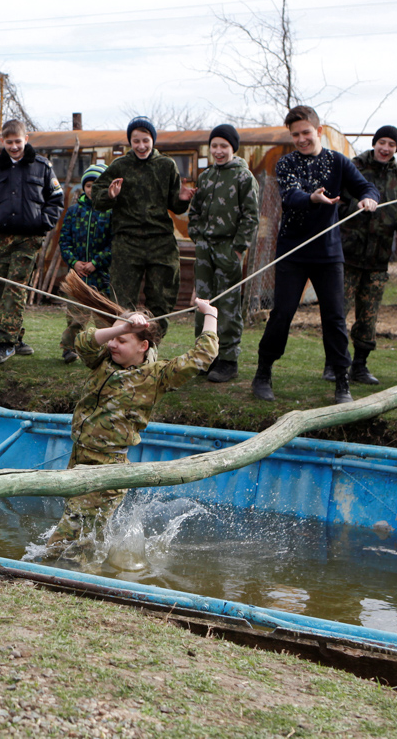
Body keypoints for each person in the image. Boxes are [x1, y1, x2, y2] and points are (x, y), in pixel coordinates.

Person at [47, 275, 218, 553]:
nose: (113, 344)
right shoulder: (103, 359)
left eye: (122, 340)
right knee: (84, 533)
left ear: (143, 346)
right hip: (79, 455)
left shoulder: (156, 376)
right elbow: (84, 342)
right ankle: (86, 571)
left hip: (107, 467)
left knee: (71, 531)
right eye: (113, 337)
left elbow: (202, 356)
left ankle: (46, 571)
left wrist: (210, 315)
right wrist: (120, 328)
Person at [251, 105, 379, 405]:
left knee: (334, 317)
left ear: (318, 131)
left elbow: (367, 187)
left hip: (328, 253)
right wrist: (313, 197)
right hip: (293, 253)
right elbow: (291, 197)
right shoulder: (287, 164)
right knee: (282, 314)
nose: (300, 139)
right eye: (295, 134)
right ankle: (263, 373)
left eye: (306, 132)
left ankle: (341, 381)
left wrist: (369, 199)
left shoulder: (338, 162)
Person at [90, 117, 191, 336]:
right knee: (121, 300)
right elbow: (96, 196)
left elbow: (175, 205)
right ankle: (121, 343)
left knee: (161, 298)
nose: (141, 146)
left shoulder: (166, 166)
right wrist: (110, 194)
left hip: (160, 241)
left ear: (153, 140)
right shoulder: (120, 166)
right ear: (130, 142)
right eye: (136, 141)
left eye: (146, 140)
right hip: (128, 241)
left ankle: (151, 345)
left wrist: (182, 199)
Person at [330, 125, 397, 386]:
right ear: (375, 142)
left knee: (368, 316)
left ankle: (360, 366)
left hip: (378, 259)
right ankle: (333, 364)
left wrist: (386, 216)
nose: (386, 148)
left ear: (396, 148)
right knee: (337, 311)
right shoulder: (353, 168)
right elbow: (335, 203)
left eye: (391, 144)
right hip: (348, 253)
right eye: (382, 142)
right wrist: (354, 209)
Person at [0, 119, 64, 365]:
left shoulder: (42, 166)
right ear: (2, 141)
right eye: (9, 142)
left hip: (29, 238)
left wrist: (42, 223)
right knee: (2, 288)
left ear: (27, 139)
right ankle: (17, 337)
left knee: (15, 285)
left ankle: (5, 343)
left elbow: (56, 199)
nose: (14, 146)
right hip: (2, 238)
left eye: (18, 141)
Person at [186, 124, 259, 383]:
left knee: (227, 304)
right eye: (214, 146)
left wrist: (238, 249)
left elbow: (251, 217)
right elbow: (194, 210)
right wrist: (196, 234)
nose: (218, 151)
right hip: (204, 249)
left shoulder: (244, 177)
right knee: (203, 302)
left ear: (233, 148)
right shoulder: (206, 177)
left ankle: (228, 360)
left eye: (223, 146)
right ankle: (206, 356)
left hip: (228, 248)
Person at [57, 163, 112, 363]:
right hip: (78, 275)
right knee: (75, 315)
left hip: (102, 274)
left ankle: (107, 350)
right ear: (84, 187)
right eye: (88, 185)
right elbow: (64, 240)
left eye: (97, 185)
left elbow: (114, 243)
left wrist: (96, 262)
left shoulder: (110, 212)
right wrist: (74, 262)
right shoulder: (73, 212)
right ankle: (69, 348)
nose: (92, 190)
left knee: (104, 318)